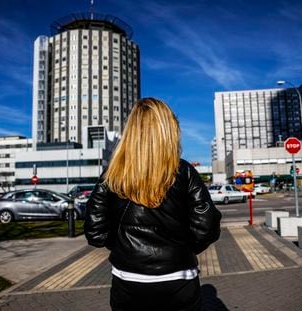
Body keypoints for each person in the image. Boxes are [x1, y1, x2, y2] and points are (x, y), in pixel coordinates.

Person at [85, 97, 222, 311]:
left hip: (128, 280)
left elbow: (95, 232)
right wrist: (182, 249)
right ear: (168, 130)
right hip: (179, 278)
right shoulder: (184, 171)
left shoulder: (112, 174)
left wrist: (124, 247)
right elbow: (207, 228)